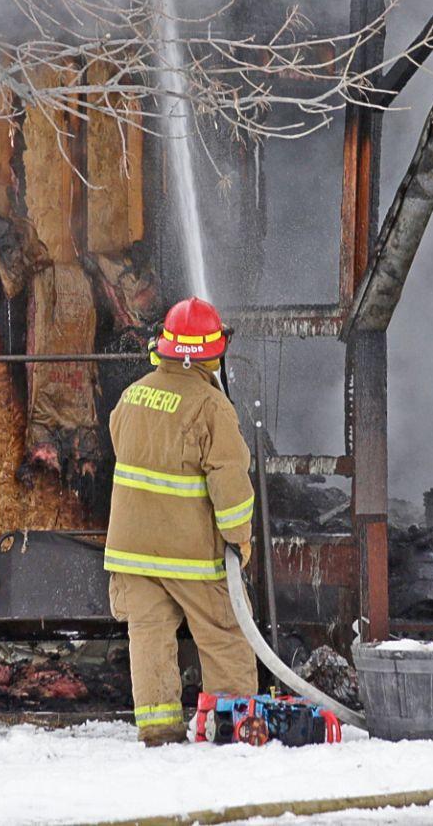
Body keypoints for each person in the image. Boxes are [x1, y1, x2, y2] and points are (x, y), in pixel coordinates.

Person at [105, 296, 258, 746]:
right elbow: (230, 484)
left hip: (131, 552)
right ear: (213, 351)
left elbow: (125, 450)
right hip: (190, 553)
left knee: (149, 637)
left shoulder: (132, 396)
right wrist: (239, 542)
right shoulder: (211, 406)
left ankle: (157, 729)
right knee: (226, 631)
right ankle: (233, 724)